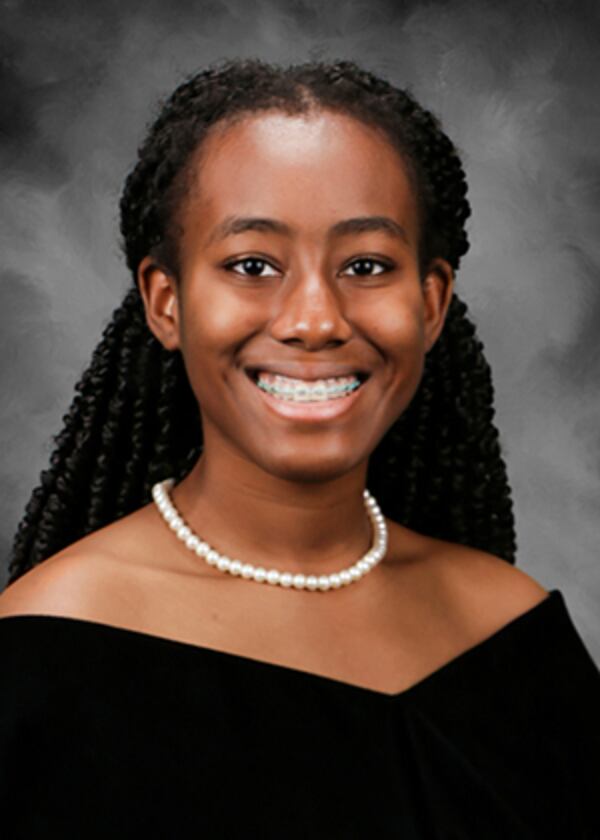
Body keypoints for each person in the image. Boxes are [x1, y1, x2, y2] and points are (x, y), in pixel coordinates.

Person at [0, 57, 598, 838]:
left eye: (366, 266)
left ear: (430, 301)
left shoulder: (510, 628)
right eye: (253, 266)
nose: (314, 319)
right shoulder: (49, 652)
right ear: (166, 301)